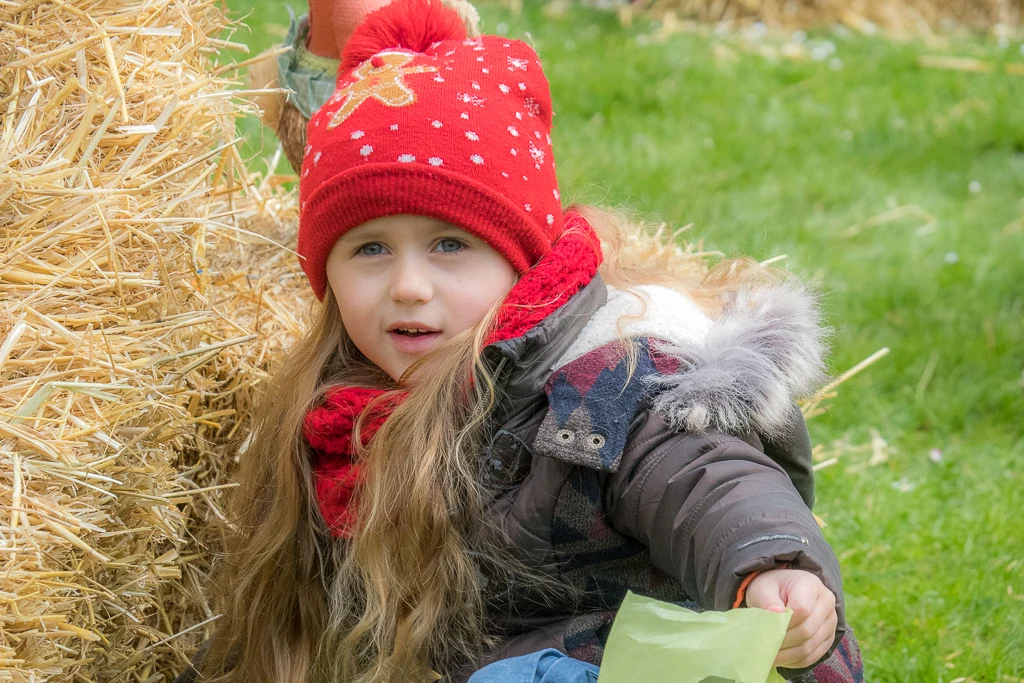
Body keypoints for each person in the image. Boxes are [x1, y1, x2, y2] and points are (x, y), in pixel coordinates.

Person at [179, 0, 864, 681]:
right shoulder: (334, 414)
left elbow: (706, 482)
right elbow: (279, 629)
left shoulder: (614, 382)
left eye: (449, 245)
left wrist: (774, 565)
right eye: (369, 249)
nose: (409, 285)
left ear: (520, 262)